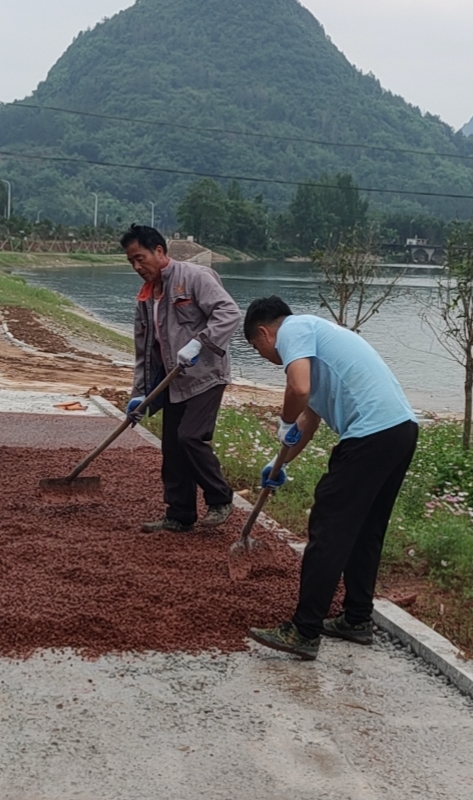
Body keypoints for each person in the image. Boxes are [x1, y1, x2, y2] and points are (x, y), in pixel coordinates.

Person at [240, 295, 418, 660]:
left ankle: (304, 631)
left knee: (329, 528)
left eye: (259, 350)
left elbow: (298, 391)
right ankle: (356, 619)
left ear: (264, 333)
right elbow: (310, 418)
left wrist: (284, 421)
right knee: (366, 530)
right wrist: (280, 463)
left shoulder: (294, 329)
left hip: (370, 435)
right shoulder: (316, 340)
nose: (267, 358)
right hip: (399, 431)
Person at [121, 225, 241, 533]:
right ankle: (180, 514)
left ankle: (219, 499)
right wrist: (140, 396)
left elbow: (228, 312)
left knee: (190, 436)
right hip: (172, 381)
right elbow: (144, 352)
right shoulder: (146, 299)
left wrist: (200, 342)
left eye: (140, 257)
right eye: (131, 261)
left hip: (206, 375)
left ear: (159, 252)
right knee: (173, 447)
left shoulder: (195, 277)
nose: (137, 266)